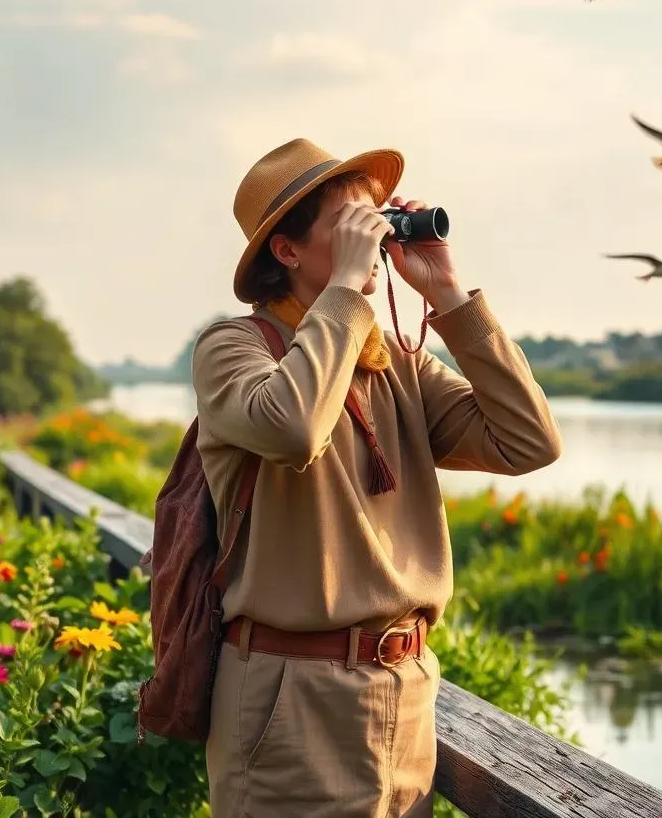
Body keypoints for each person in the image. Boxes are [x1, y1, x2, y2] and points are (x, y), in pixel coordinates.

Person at [193, 137, 562, 818]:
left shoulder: (395, 364)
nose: (375, 235)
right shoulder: (233, 349)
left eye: (379, 217)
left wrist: (449, 295)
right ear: (288, 251)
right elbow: (294, 426)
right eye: (352, 223)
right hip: (289, 699)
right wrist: (343, 292)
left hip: (406, 694)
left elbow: (528, 442)